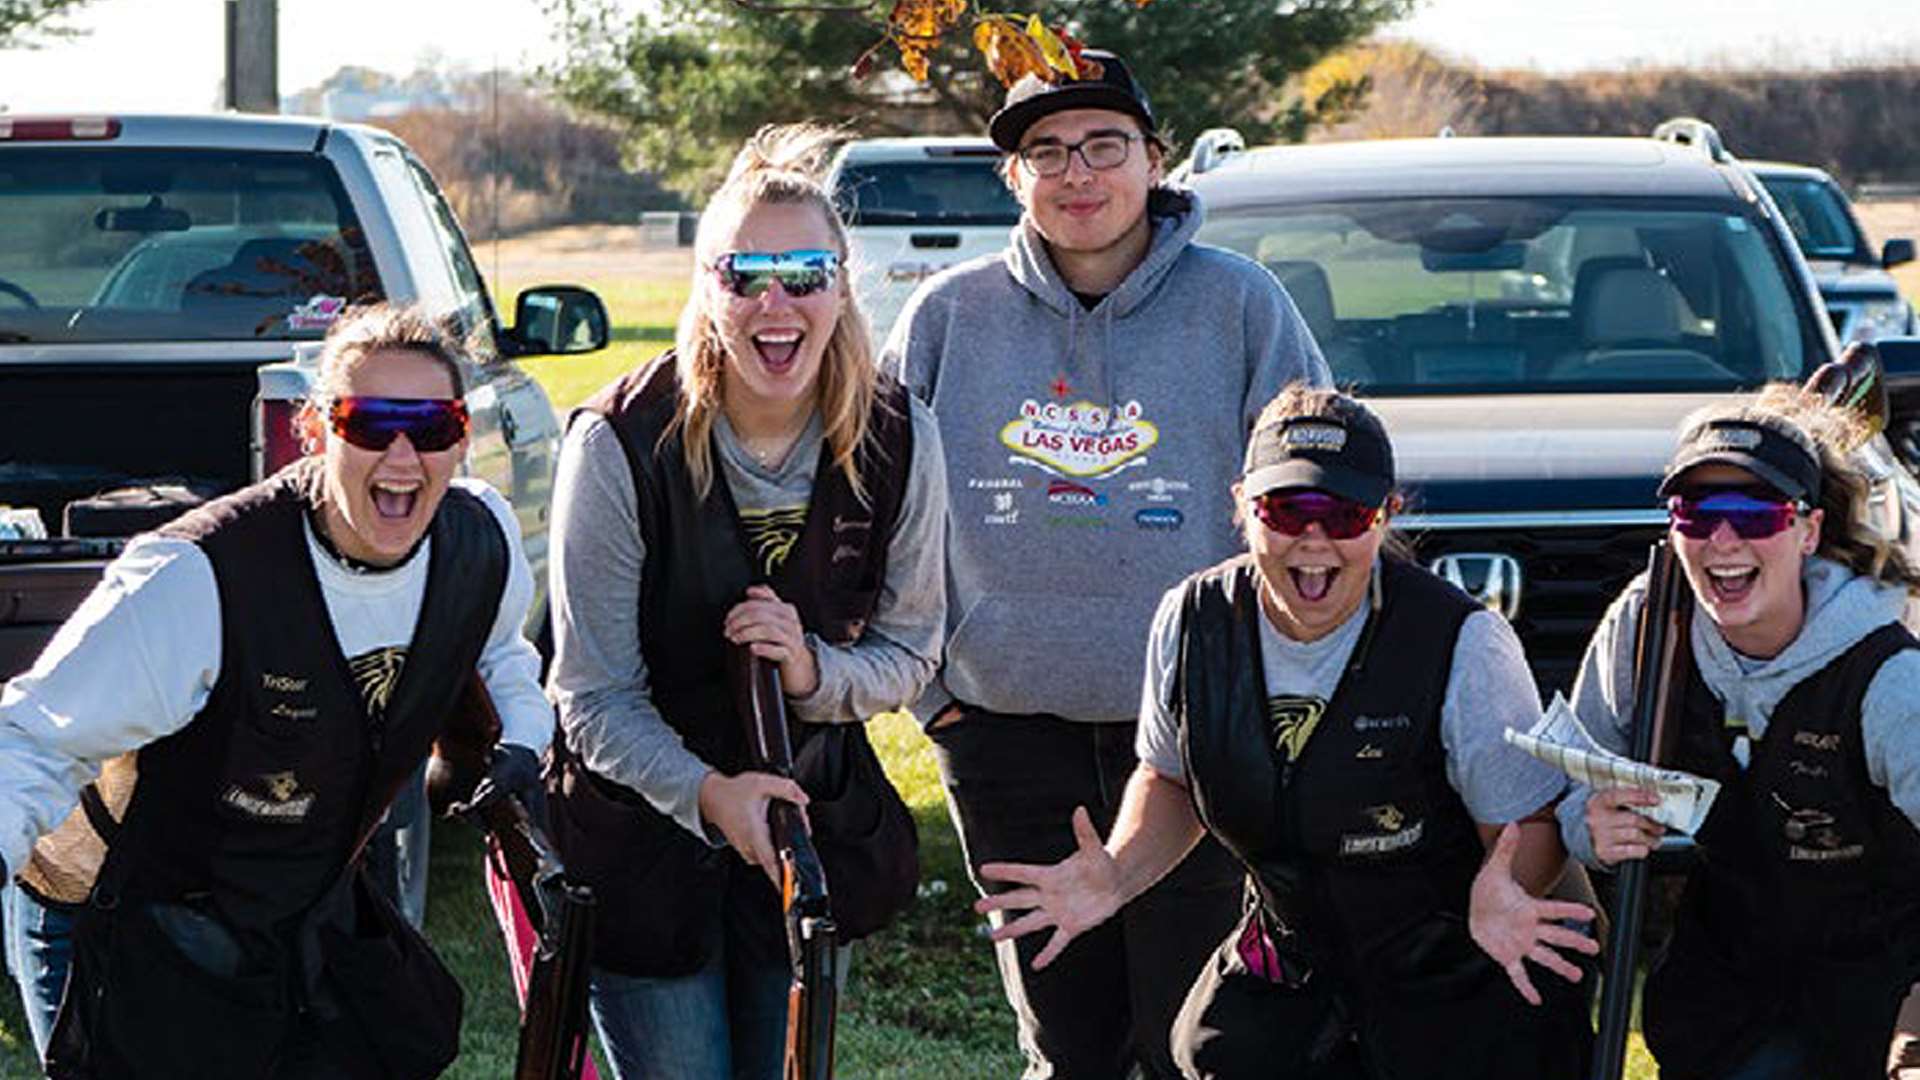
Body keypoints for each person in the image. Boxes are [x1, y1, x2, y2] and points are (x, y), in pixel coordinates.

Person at [880, 47, 1332, 1077]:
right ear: (1014, 177)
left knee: (1196, 1038)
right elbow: (881, 514)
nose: (1076, 173)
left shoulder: (1243, 307)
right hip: (1002, 736)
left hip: (1193, 747)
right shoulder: (949, 317)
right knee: (1064, 1043)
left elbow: (1312, 498)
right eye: (1046, 151)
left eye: (1103, 146)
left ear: (1154, 159)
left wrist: (1272, 682)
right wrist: (938, 699)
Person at [976, 386, 1597, 1080]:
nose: (1314, 539)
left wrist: (1506, 885)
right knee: (1214, 1052)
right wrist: (1118, 872)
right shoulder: (1192, 620)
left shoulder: (1465, 643)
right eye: (1286, 509)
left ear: (1386, 516)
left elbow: (1530, 824)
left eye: (1344, 513)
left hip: (1462, 956)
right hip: (1292, 956)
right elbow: (1170, 776)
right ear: (1242, 507)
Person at [0, 302, 551, 1076]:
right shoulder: (196, 580)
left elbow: (500, 652)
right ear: (315, 430)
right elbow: (30, 738)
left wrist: (524, 739)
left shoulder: (479, 541)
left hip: (296, 900)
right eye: (368, 423)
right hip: (126, 912)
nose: (402, 454)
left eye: (430, 426)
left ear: (461, 438)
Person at [544, 123, 947, 1080]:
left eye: (806, 270)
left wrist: (814, 671)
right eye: (745, 272)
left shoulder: (902, 436)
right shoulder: (615, 441)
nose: (777, 300)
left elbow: (914, 649)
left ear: (843, 284)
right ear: (705, 287)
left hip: (808, 827)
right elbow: (592, 697)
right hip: (643, 828)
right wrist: (709, 795)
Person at [1563, 386, 1920, 1080]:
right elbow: (1572, 790)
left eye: (1754, 513)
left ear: (1808, 529)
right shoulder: (1646, 627)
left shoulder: (1888, 678)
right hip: (1719, 994)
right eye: (1696, 515)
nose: (1723, 540)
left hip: (1881, 990)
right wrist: (1593, 827)